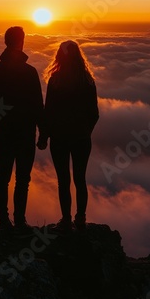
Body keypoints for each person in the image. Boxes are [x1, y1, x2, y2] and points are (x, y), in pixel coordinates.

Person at [0, 26, 44, 232]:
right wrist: (43, 133)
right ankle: (19, 222)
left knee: (3, 178)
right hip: (25, 134)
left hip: (4, 134)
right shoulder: (29, 72)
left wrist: (0, 124)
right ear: (21, 41)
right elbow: (38, 105)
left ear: (5, 42)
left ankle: (4, 221)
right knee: (22, 180)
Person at [37, 40, 99, 232]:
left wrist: (44, 136)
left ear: (59, 57)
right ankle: (80, 219)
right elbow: (94, 114)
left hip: (59, 138)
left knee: (63, 180)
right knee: (80, 179)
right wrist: (85, 131)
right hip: (81, 138)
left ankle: (66, 220)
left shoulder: (55, 81)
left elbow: (48, 111)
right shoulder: (87, 81)